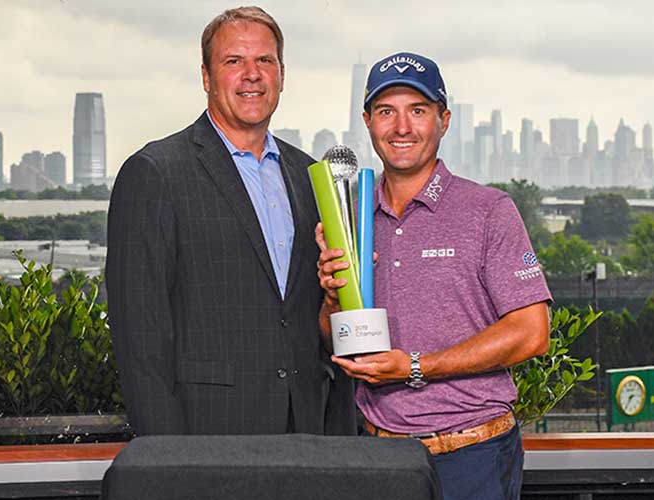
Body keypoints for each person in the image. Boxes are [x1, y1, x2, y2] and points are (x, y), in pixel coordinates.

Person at [106, 6, 354, 436]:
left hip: (308, 428)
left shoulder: (310, 175)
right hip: (208, 432)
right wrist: (166, 457)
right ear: (206, 76)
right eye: (234, 61)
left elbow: (313, 314)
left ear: (282, 75)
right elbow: (140, 337)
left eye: (265, 60)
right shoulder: (155, 173)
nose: (252, 75)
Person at [316, 52, 551, 500]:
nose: (402, 127)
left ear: (444, 121)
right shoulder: (352, 218)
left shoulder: (488, 211)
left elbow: (531, 333)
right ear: (368, 122)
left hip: (472, 453)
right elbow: (334, 341)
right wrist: (332, 300)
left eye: (418, 111)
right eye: (387, 111)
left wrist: (416, 367)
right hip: (379, 454)